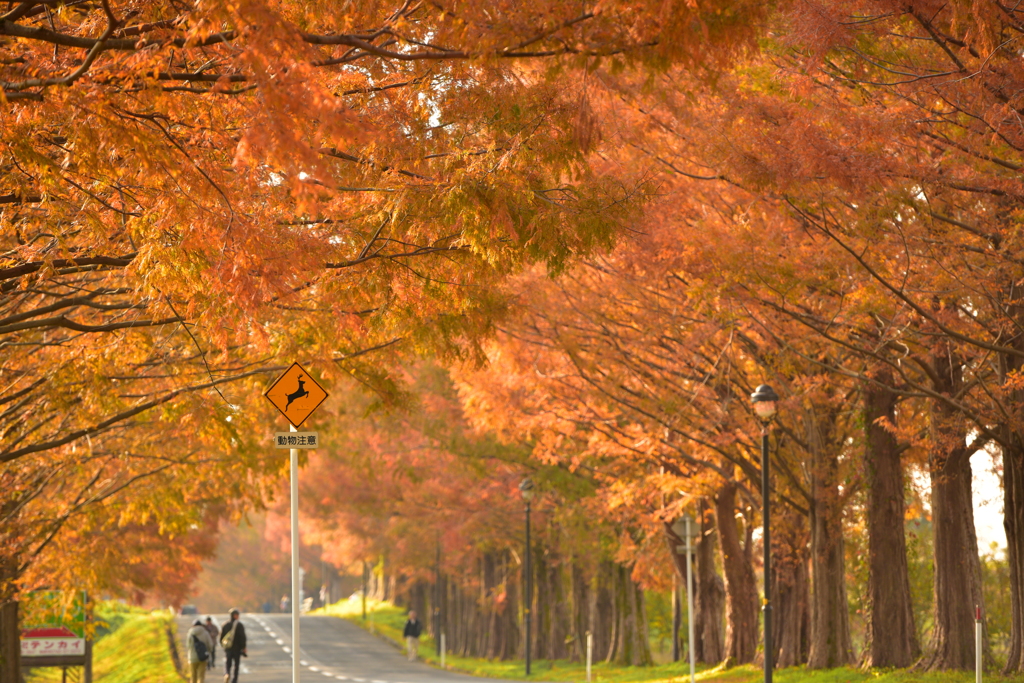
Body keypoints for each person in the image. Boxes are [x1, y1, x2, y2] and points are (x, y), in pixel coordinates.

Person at [219, 608, 247, 683]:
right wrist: (243, 647)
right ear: (234, 615)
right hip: (237, 649)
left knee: (228, 663)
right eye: (237, 615)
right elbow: (242, 637)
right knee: (236, 665)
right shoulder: (239, 625)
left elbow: (221, 637)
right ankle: (234, 680)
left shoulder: (225, 625)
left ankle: (227, 673)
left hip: (228, 648)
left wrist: (223, 645)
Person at [186, 618, 214, 683]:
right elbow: (210, 645)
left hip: (192, 658)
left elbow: (188, 646)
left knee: (193, 676)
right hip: (203, 657)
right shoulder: (205, 633)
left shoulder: (190, 633)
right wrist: (208, 651)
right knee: (201, 676)